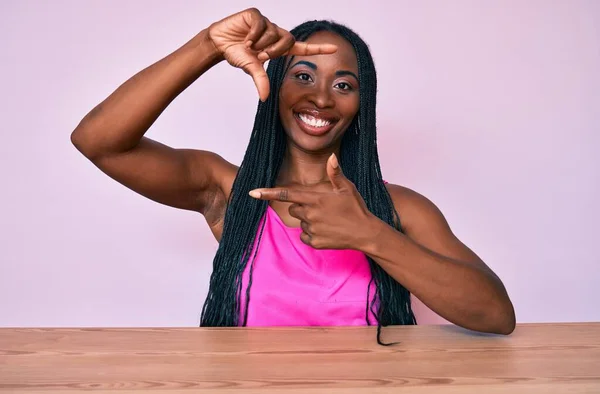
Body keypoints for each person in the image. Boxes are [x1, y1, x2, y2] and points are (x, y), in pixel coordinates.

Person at [71, 8, 515, 343]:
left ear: (361, 106)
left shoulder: (398, 209)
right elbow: (98, 141)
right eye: (303, 76)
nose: (321, 98)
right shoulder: (228, 191)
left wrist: (371, 235)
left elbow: (495, 315)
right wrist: (207, 45)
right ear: (274, 84)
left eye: (344, 85)